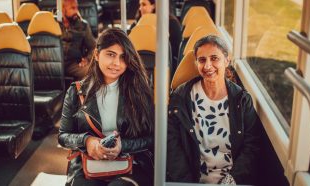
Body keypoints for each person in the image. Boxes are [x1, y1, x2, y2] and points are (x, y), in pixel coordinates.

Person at [59, 28, 154, 186]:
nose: (116, 63)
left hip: (131, 161)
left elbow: (152, 138)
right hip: (88, 163)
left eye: (123, 57)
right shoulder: (76, 92)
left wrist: (123, 145)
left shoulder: (139, 91)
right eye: (110, 54)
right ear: (96, 55)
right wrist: (87, 141)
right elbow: (63, 136)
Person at [166, 35, 260, 185]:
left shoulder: (242, 100)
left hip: (232, 181)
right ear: (196, 63)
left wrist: (231, 181)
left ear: (226, 60)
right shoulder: (181, 98)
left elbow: (252, 146)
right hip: (191, 180)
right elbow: (172, 146)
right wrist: (188, 183)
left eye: (214, 58)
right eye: (202, 60)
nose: (208, 66)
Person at [130, 0, 182, 72]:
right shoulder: (135, 25)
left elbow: (176, 53)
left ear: (154, 5)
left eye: (144, 4)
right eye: (140, 5)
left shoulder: (172, 24)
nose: (140, 8)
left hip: (165, 67)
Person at [60, 0, 96, 80]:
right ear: (62, 9)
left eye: (77, 8)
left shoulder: (83, 25)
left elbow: (93, 47)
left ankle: (81, 92)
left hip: (73, 64)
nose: (76, 11)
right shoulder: (52, 22)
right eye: (72, 8)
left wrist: (87, 59)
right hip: (54, 64)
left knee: (91, 72)